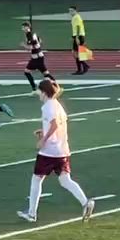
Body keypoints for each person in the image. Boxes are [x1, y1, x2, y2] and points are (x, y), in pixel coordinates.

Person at [17, 79, 95, 223]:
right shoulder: (58, 106)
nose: (38, 94)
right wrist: (43, 131)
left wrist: (43, 139)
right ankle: (85, 202)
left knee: (36, 179)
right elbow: (57, 125)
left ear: (44, 92)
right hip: (62, 149)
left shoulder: (48, 106)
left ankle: (32, 213)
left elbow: (53, 125)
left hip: (49, 151)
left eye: (39, 92)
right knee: (65, 180)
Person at [20, 21, 55, 92]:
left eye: (23, 27)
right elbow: (40, 41)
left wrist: (24, 45)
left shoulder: (29, 35)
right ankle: (54, 83)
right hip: (38, 57)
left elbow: (31, 47)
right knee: (45, 73)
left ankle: (34, 87)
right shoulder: (33, 34)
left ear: (27, 27)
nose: (22, 28)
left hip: (37, 58)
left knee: (27, 72)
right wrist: (35, 45)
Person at [69, 6, 90, 75]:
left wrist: (76, 37)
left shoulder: (76, 17)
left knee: (75, 53)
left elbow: (77, 27)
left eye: (72, 11)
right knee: (78, 53)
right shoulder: (76, 17)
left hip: (79, 36)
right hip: (80, 36)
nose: (70, 12)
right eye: (69, 11)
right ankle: (83, 67)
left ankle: (82, 67)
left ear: (76, 11)